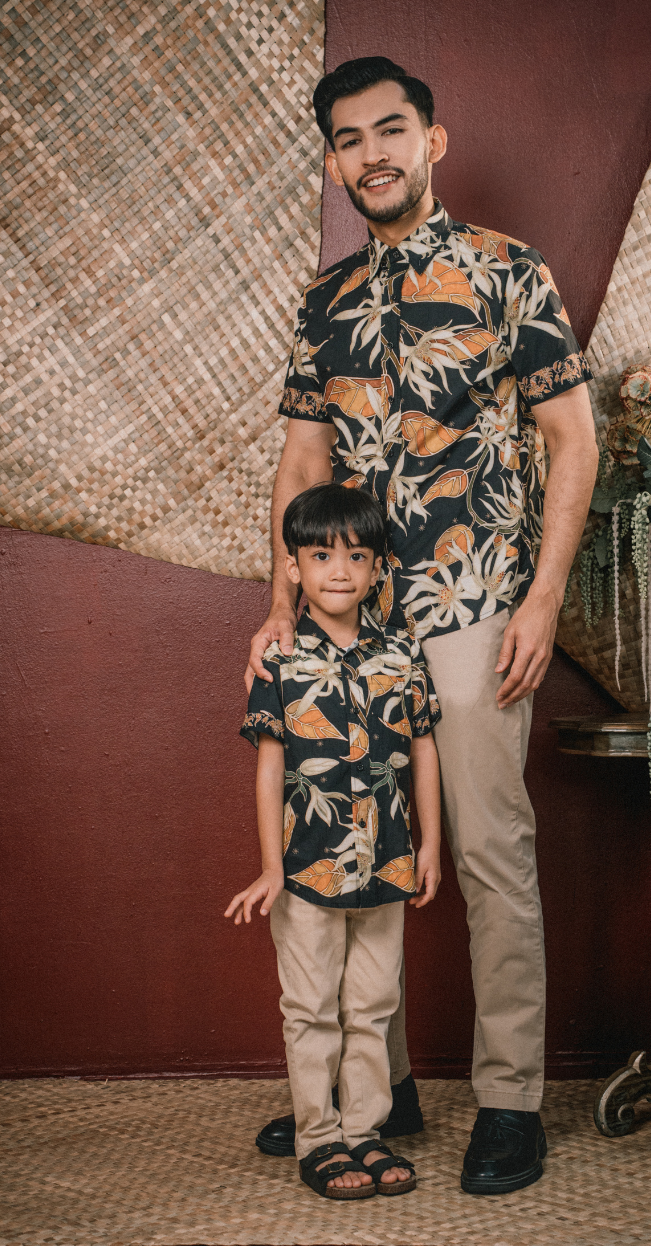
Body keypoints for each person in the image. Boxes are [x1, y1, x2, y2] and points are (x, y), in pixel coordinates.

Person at [247, 56, 599, 1195]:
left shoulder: (508, 270)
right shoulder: (325, 302)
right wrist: (281, 605)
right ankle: (374, 1091)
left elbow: (573, 440)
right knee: (354, 839)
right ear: (333, 161)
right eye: (349, 139)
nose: (373, 153)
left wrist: (541, 598)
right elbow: (303, 463)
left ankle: (509, 1100)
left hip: (474, 603)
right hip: (353, 620)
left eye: (390, 129)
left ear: (431, 140)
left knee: (489, 846)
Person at [226, 481, 442, 1200]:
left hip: (387, 863)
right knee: (312, 1005)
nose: (339, 570)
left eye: (356, 556)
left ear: (378, 567)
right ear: (293, 568)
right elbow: (269, 767)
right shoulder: (280, 659)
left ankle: (365, 1131)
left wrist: (431, 846)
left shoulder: (402, 654)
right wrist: (270, 867)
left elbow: (423, 750)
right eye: (321, 556)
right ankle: (318, 1138)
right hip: (306, 868)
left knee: (372, 1004)